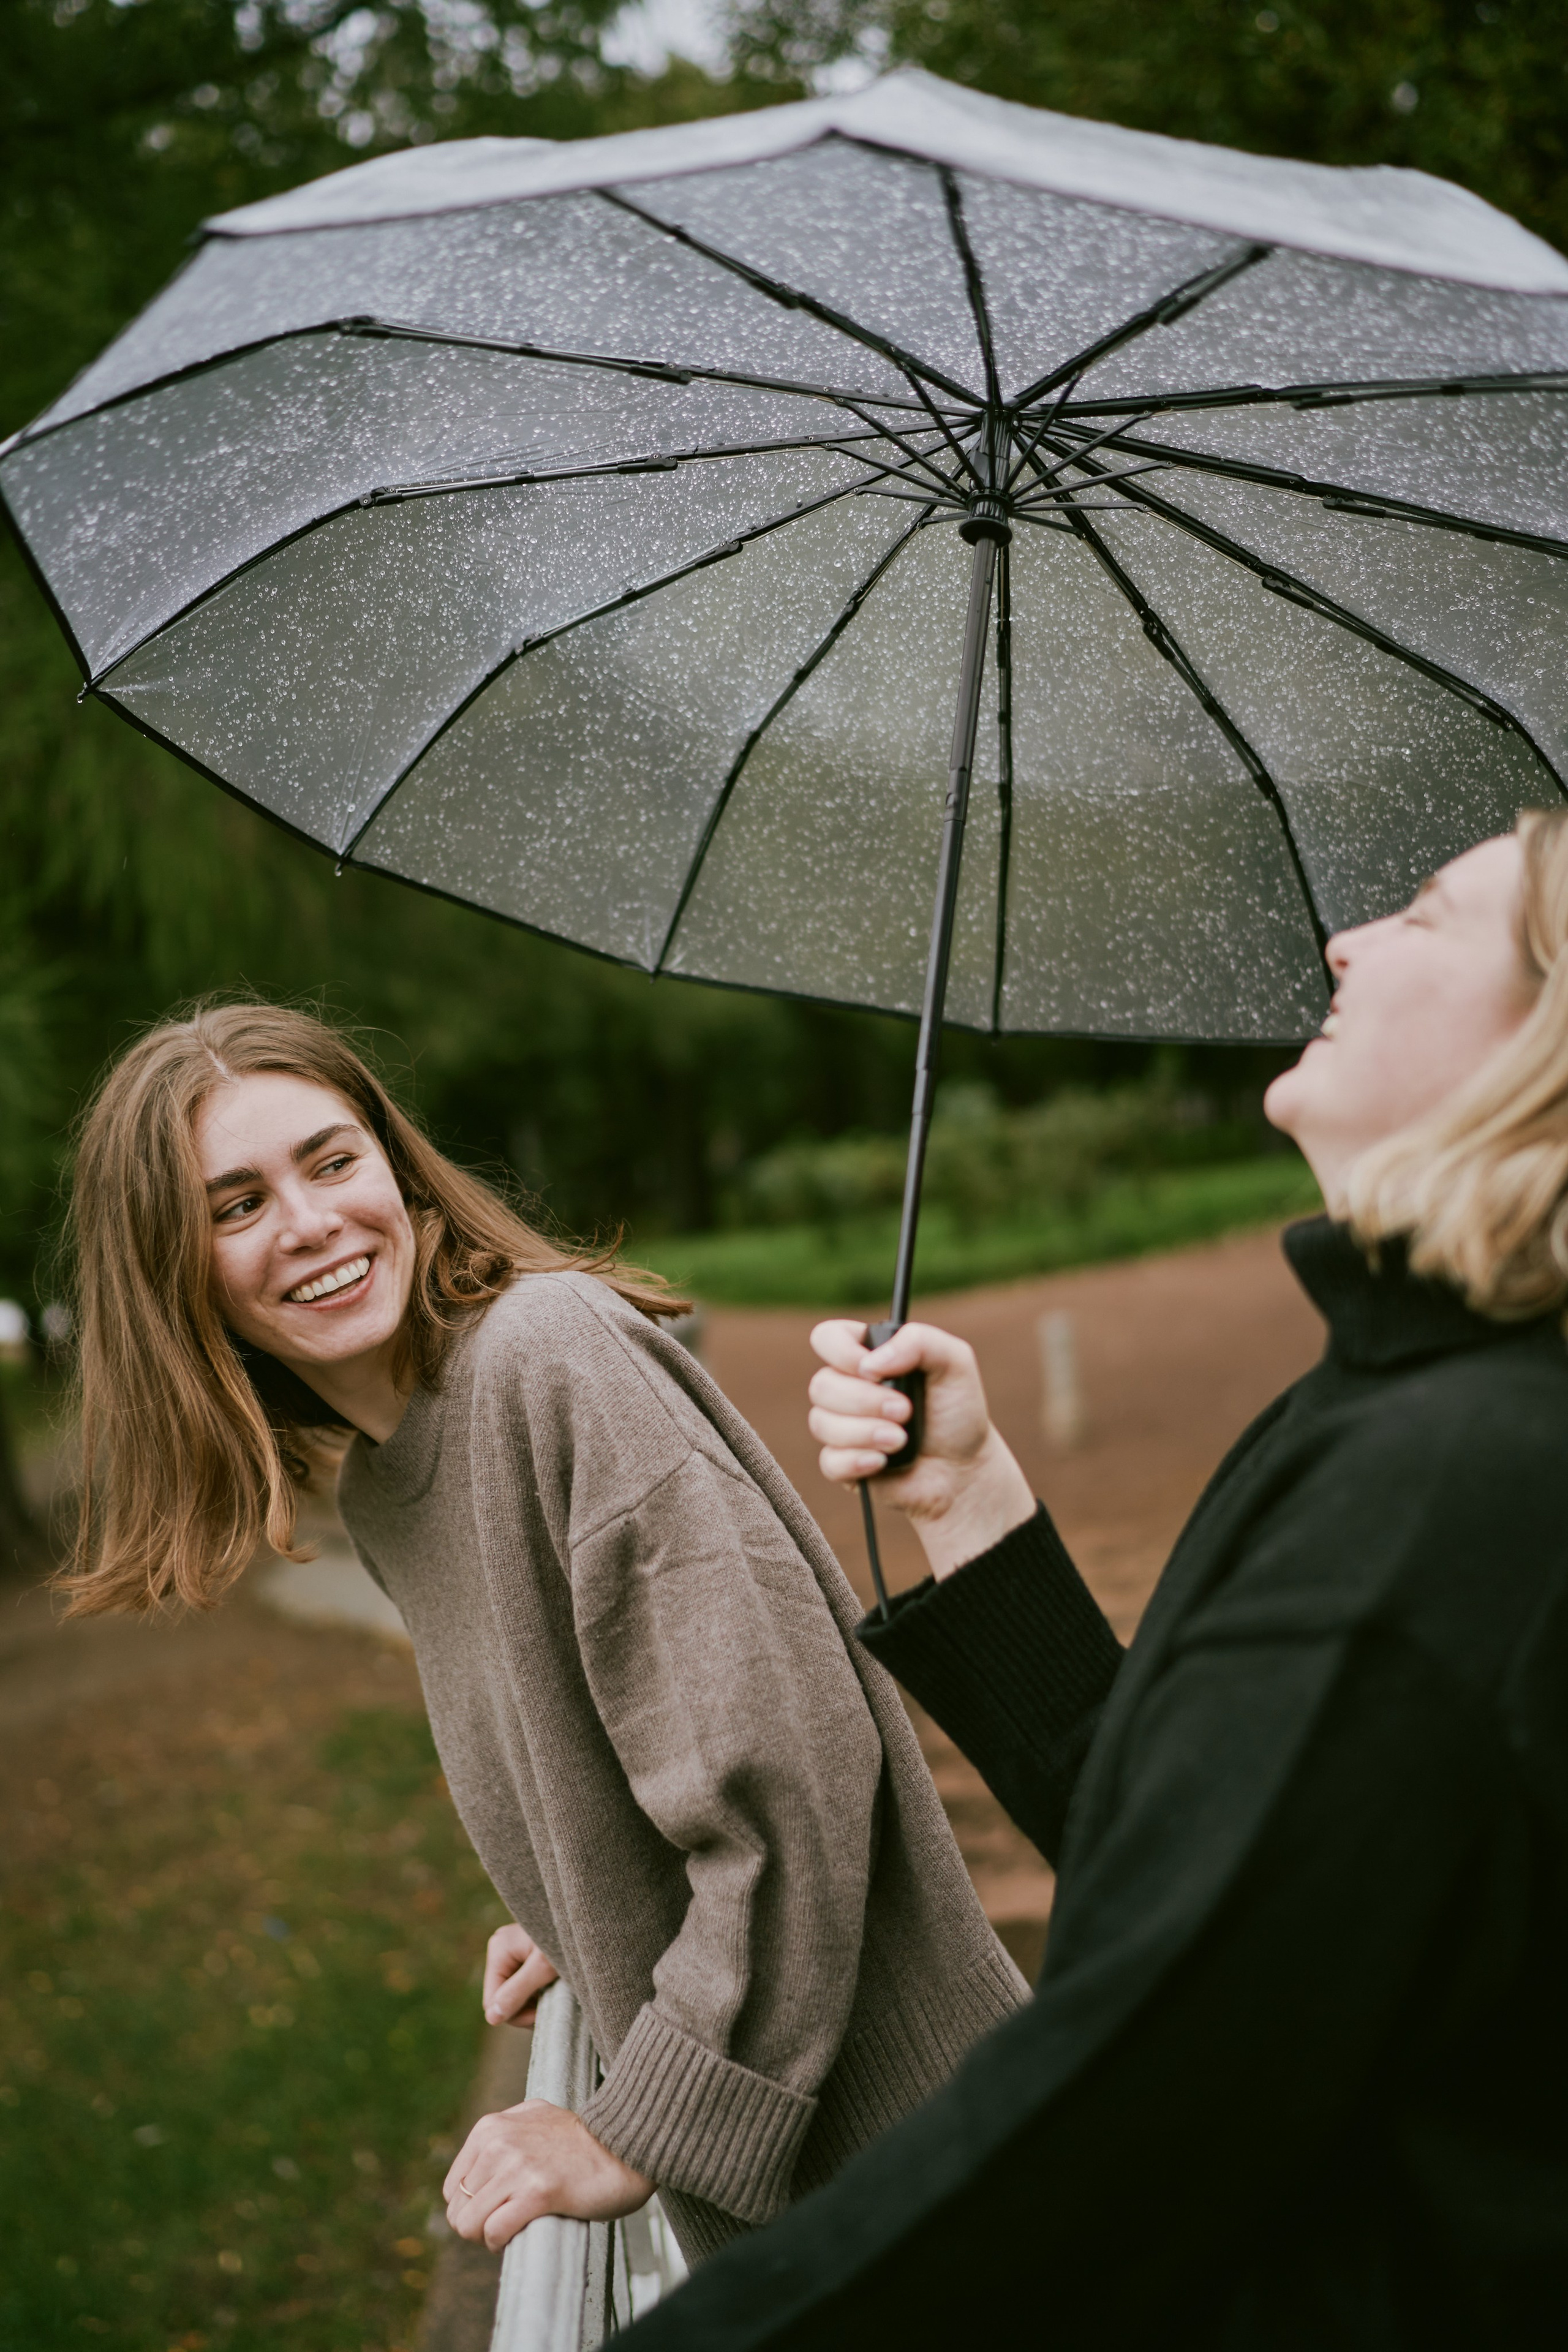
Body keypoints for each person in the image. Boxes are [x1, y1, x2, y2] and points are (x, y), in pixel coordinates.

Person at [620, 810, 1568, 2349]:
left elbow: (1133, 2101)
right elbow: (1191, 1861)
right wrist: (967, 1498)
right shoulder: (1402, 1411)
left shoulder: (1446, 1487)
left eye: (1424, 915)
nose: (1344, 938)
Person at [60, 1003, 1025, 2265]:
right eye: (233, 1206)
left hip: (935, 2176)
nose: (307, 1225)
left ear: (401, 1175)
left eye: (332, 1161)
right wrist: (586, 1896)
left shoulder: (545, 1356)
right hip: (817, 2227)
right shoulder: (387, 1483)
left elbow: (788, 1775)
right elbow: (642, 1734)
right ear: (168, 1272)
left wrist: (638, 2135)